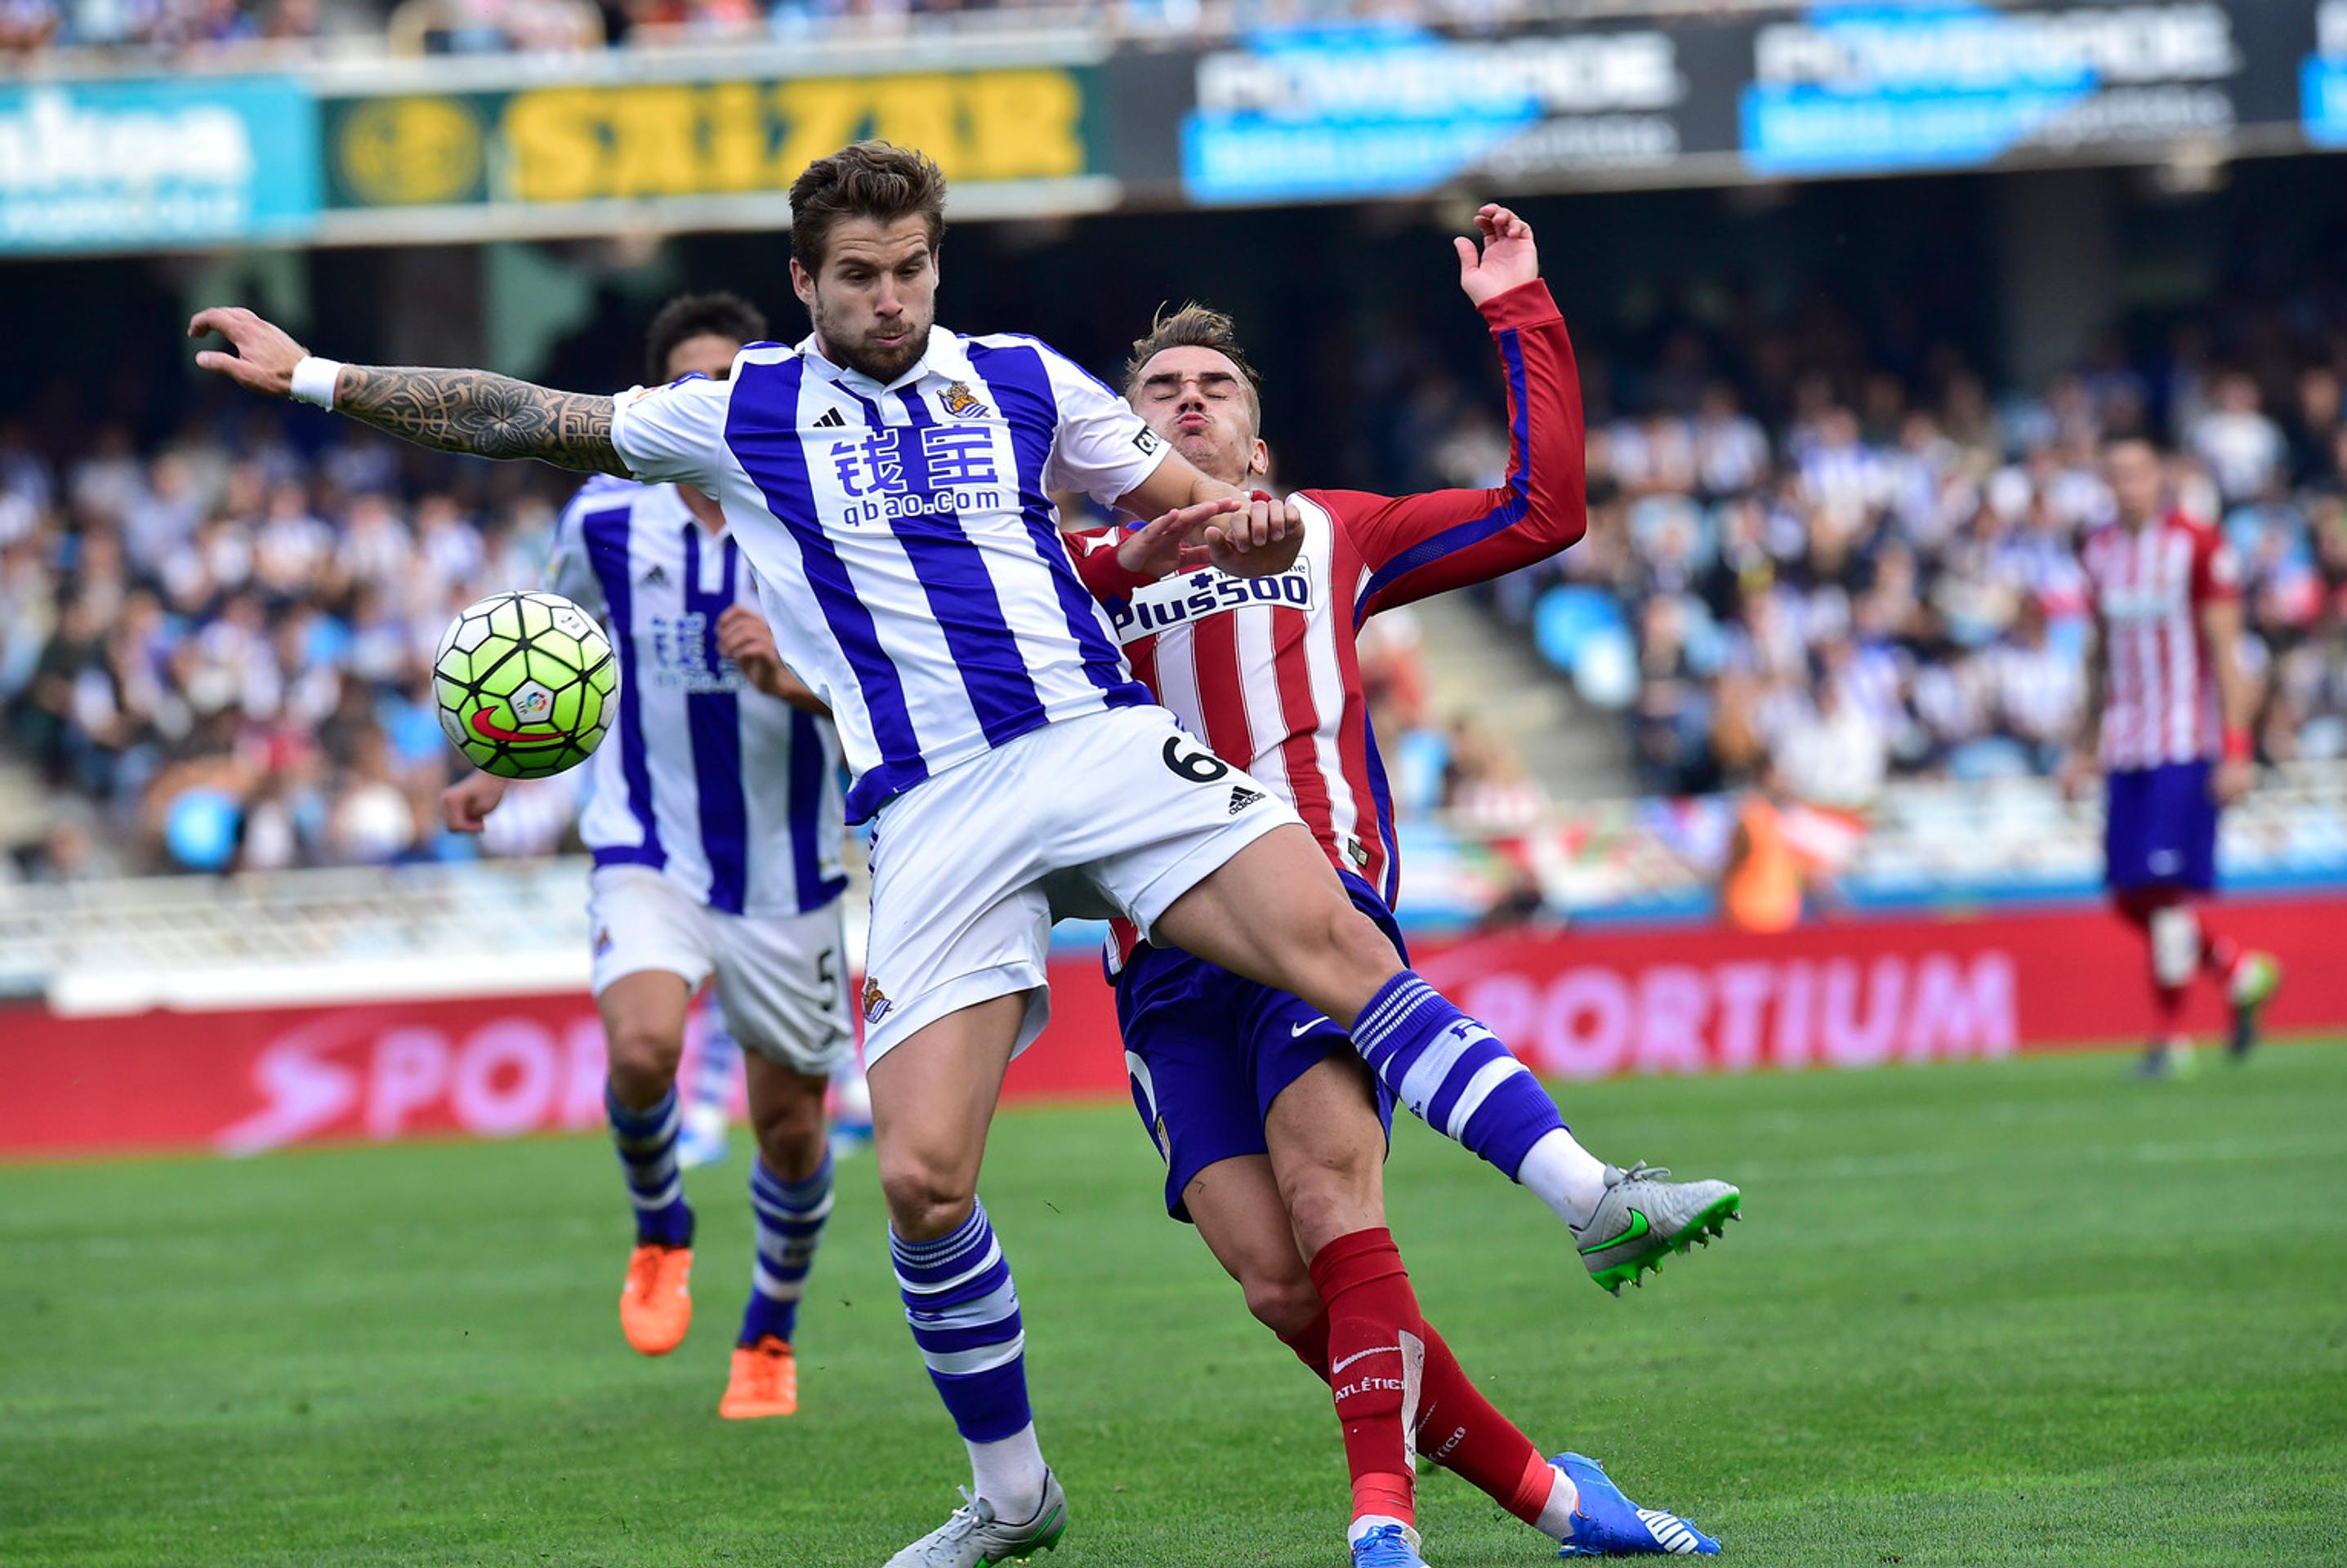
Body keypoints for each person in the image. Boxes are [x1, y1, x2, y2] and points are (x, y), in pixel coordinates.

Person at [189, 140, 1741, 1568]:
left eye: (911, 267)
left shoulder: (1020, 376)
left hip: (1091, 740)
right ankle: (1014, 1496)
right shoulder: (741, 416)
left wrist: (1244, 528)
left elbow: (1181, 502)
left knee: (1344, 950)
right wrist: (313, 373)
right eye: (858, 274)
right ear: (806, 283)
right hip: (927, 814)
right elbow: (529, 419)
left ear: (939, 265)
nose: (888, 296)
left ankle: (1592, 1195)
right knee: (924, 1186)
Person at [1070, 207, 1721, 1566]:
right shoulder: (1072, 579)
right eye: (1159, 396)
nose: (1189, 406)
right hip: (1161, 961)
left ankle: (1384, 1523)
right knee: (1271, 1278)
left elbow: (1544, 512)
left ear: (1258, 440)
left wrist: (1520, 311)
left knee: (1330, 1205)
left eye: (1216, 390)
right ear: (1117, 441)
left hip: (1314, 903)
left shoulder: (1328, 534)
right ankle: (1554, 1497)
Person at [440, 293, 853, 1421]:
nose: (711, 395)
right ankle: (662, 1220)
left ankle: (768, 1330)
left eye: (732, 375)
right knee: (640, 1053)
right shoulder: (605, 524)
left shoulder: (820, 517)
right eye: (691, 379)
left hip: (790, 870)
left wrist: (791, 680)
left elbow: (889, 696)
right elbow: (556, 668)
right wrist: (497, 766)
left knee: (790, 1128)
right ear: (658, 400)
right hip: (647, 845)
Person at [2063, 436, 2281, 1077]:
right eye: (2116, 474)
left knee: (2159, 888)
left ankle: (2170, 1038)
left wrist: (2237, 748)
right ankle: (2240, 971)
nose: (2127, 485)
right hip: (2125, 743)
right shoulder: (2100, 550)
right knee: (2129, 895)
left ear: (2159, 476)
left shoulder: (2198, 544)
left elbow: (2226, 649)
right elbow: (2099, 654)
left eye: (2137, 472)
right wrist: (2081, 746)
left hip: (2185, 741)